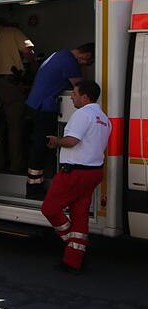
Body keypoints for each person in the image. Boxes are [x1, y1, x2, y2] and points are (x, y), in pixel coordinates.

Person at [41, 80, 109, 273]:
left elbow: (72, 141)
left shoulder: (82, 114)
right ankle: (73, 260)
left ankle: (72, 243)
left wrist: (56, 141)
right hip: (94, 172)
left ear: (85, 97)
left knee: (50, 208)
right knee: (80, 216)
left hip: (75, 172)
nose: (71, 97)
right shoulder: (104, 118)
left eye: (75, 94)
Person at [24, 42, 94, 197]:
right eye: (88, 62)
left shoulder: (60, 54)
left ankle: (36, 183)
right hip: (44, 107)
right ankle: (34, 189)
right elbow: (82, 88)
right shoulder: (69, 61)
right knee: (42, 146)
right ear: (86, 55)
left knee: (39, 145)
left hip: (36, 104)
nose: (86, 65)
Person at [0, 18, 34, 172]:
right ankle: (16, 166)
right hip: (9, 84)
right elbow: (29, 49)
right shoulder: (13, 31)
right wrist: (33, 66)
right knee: (15, 126)